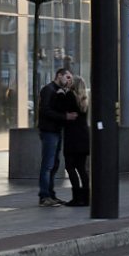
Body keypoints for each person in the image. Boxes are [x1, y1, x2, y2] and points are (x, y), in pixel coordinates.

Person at [38, 68, 74, 207]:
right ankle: (44, 196)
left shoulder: (59, 91)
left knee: (54, 164)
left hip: (56, 130)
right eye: (67, 77)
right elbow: (45, 110)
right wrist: (64, 117)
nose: (69, 80)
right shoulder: (48, 90)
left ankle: (50, 194)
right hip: (49, 131)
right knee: (48, 164)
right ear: (59, 75)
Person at [60, 76, 90, 207]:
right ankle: (86, 197)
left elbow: (62, 110)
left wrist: (61, 92)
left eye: (70, 81)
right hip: (83, 137)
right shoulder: (84, 100)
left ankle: (77, 197)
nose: (68, 82)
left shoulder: (70, 96)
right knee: (81, 168)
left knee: (70, 166)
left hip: (73, 138)